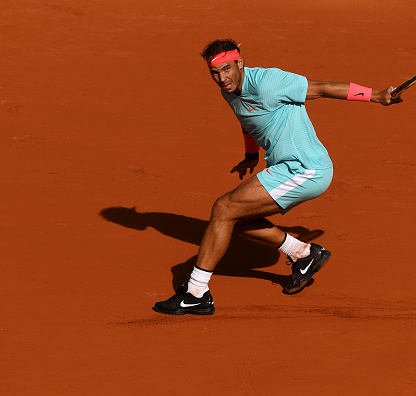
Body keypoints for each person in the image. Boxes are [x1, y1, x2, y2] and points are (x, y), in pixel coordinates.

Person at [153, 39, 402, 315]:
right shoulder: (230, 91)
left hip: (307, 169)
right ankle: (303, 254)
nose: (222, 78)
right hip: (284, 166)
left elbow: (321, 88)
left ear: (240, 63)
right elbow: (247, 121)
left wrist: (377, 96)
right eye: (215, 73)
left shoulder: (269, 82)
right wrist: (250, 155)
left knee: (223, 210)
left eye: (227, 69)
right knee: (232, 219)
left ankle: (196, 291)